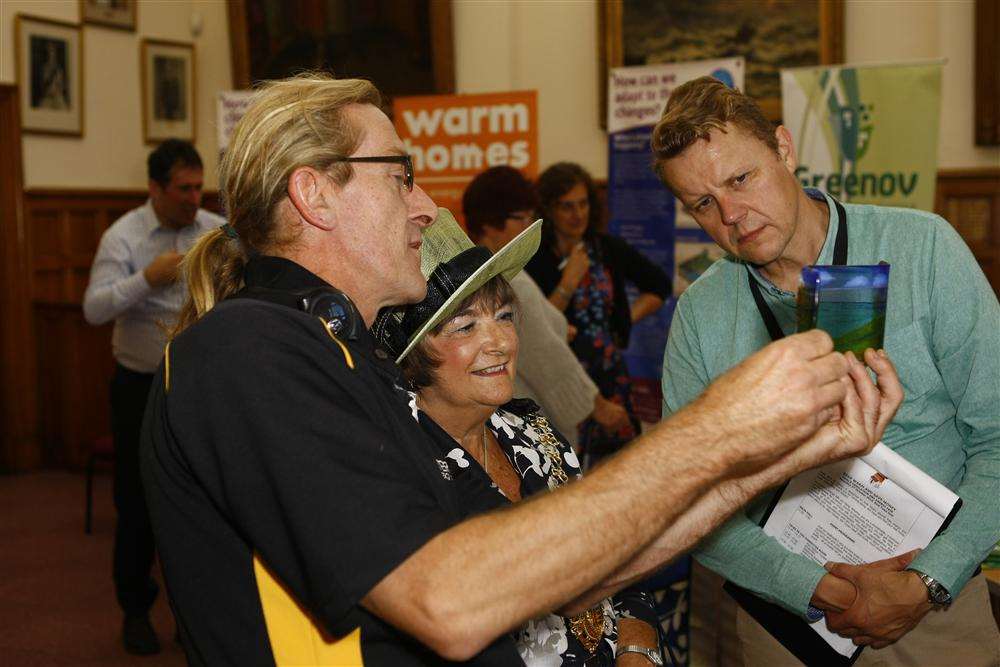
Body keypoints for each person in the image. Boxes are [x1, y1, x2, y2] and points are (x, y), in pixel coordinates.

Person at [140, 72, 901, 666]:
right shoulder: (248, 349)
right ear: (314, 194)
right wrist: (717, 427)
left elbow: (546, 570)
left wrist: (766, 457)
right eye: (401, 175)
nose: (423, 207)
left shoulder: (354, 358)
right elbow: (450, 599)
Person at [652, 76, 1000, 665]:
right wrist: (813, 587)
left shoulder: (923, 249)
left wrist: (924, 583)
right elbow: (686, 496)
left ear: (784, 150)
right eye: (703, 204)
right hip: (786, 625)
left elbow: (996, 439)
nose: (732, 215)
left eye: (741, 179)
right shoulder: (703, 314)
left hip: (937, 608)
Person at [373, 213, 662, 665]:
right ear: (414, 357)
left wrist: (638, 648)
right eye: (465, 326)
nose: (501, 342)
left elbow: (615, 560)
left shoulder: (527, 425)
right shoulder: (403, 468)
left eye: (504, 316)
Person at [82, 138, 224, 655]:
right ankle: (136, 610)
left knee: (205, 500)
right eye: (183, 189)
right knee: (138, 503)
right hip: (139, 386)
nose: (193, 198)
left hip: (200, 386)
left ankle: (198, 617)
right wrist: (146, 280)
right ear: (155, 189)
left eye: (198, 187)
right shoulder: (124, 237)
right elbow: (94, 309)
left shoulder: (213, 231)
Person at [462, 166, 631, 449]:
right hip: (531, 425)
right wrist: (597, 405)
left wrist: (561, 328)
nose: (529, 226)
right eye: (521, 218)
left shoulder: (477, 270)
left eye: (532, 216)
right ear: (490, 223)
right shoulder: (507, 279)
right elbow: (545, 354)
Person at [525, 162, 671, 463]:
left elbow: (659, 285)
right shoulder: (534, 257)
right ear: (549, 210)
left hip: (610, 375)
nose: (578, 214)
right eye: (567, 207)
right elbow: (536, 328)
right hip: (564, 380)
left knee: (624, 468)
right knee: (565, 469)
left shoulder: (604, 248)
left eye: (583, 204)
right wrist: (568, 283)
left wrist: (622, 319)